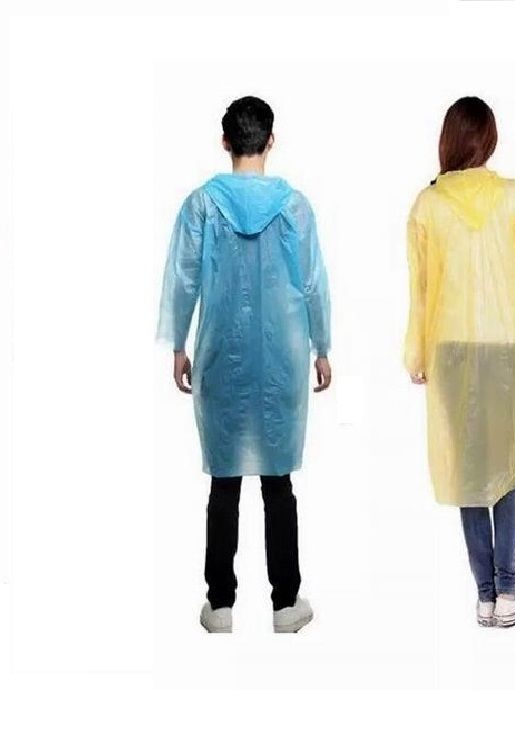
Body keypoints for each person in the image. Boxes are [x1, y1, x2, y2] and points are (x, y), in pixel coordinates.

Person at [157, 96, 331, 634]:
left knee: (224, 484)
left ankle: (220, 606)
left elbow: (183, 279)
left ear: (225, 141)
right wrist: (323, 346)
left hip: (221, 356)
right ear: (270, 140)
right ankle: (286, 604)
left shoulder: (201, 206)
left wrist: (178, 344)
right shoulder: (295, 208)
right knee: (278, 484)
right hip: (282, 359)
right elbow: (312, 283)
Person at [404, 96, 515, 628]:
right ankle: (508, 592)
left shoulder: (428, 205)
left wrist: (417, 352)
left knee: (469, 472)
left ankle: (486, 596)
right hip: (510, 349)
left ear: (449, 139)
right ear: (490, 138)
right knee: (508, 469)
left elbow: (421, 288)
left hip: (452, 351)